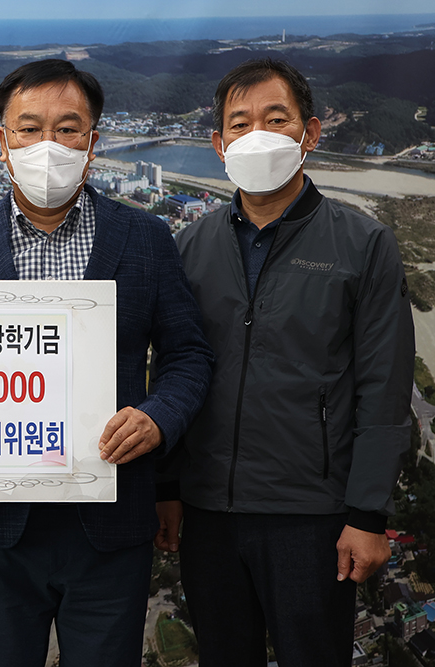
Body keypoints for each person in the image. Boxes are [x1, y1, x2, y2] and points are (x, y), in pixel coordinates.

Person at [0, 59, 213, 667]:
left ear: (93, 142)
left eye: (67, 129)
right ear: (2, 143)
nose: (47, 145)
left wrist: (158, 416)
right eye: (29, 129)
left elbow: (186, 354)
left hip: (109, 520)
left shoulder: (145, 238)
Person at [154, 58, 414, 666]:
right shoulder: (190, 246)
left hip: (312, 514)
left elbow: (384, 386)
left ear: (311, 133)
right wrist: (167, 486)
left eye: (277, 119)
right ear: (218, 144)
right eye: (239, 124)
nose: (258, 136)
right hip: (207, 511)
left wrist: (368, 513)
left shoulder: (361, 243)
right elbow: (170, 370)